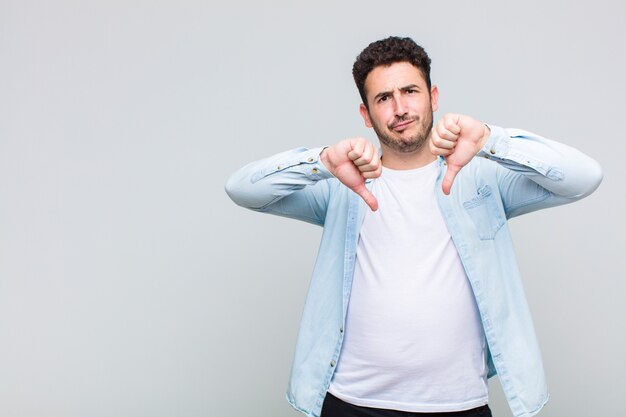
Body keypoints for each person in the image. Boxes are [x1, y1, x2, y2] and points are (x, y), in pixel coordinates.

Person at [225, 36, 602, 417]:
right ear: (365, 114)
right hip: (352, 401)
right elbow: (242, 189)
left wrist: (492, 138)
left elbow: (583, 178)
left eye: (410, 91)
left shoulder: (483, 180)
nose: (400, 108)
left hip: (458, 404)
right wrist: (321, 161)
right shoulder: (342, 185)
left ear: (433, 97)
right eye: (383, 98)